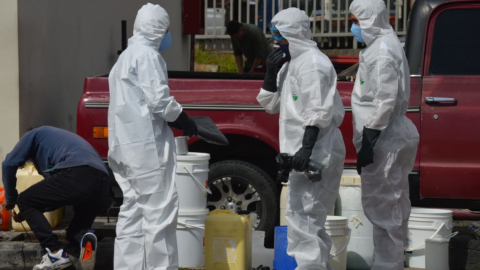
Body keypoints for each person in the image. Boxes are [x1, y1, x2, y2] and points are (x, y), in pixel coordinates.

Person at [108, 3, 198, 270]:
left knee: (133, 214)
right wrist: (184, 118)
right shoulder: (147, 56)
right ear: (158, 29)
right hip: (147, 150)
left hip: (125, 150)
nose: (168, 36)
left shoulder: (123, 58)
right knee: (160, 214)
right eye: (167, 30)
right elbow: (159, 100)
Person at [257, 8, 346, 270]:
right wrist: (271, 72)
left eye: (279, 36)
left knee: (305, 219)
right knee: (305, 221)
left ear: (292, 34)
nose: (275, 42)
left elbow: (317, 111)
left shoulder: (313, 64)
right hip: (300, 154)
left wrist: (306, 151)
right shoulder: (291, 64)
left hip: (317, 152)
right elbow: (271, 104)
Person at [349, 0, 420, 269]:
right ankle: (392, 262)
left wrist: (369, 140)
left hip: (384, 137)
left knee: (382, 207)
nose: (354, 27)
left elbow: (384, 99)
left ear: (371, 19)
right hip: (394, 132)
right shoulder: (387, 43)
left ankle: (387, 264)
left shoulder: (381, 51)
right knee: (396, 204)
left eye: (357, 21)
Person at [1, 126, 111, 270]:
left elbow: (8, 164)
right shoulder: (59, 141)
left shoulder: (33, 135)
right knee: (74, 233)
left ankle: (55, 253)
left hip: (79, 172)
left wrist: (11, 199)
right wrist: (27, 213)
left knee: (25, 199)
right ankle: (85, 241)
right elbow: (57, 196)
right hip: (103, 184)